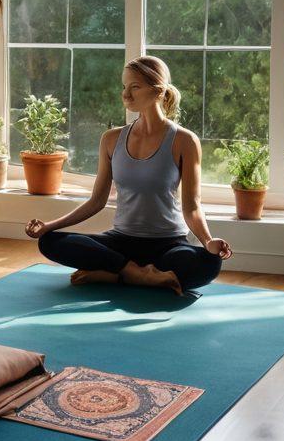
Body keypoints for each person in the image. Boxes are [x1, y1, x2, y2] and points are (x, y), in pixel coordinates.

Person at [26, 55, 233, 295]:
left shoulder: (184, 141)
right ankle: (136, 273)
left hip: (169, 244)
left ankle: (115, 274)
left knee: (210, 262)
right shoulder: (111, 139)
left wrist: (208, 242)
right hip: (120, 242)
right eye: (124, 87)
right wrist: (48, 226)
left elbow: (192, 207)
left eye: (135, 87)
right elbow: (96, 202)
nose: (126, 94)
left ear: (158, 91)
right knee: (50, 242)